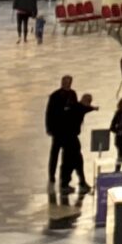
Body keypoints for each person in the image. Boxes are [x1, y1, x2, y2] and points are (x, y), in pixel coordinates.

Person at [45, 74, 94, 203]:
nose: (66, 84)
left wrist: (90, 108)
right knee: (59, 155)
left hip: (70, 134)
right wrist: (50, 128)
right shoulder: (55, 96)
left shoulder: (73, 95)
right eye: (65, 82)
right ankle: (56, 177)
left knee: (74, 159)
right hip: (60, 131)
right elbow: (50, 113)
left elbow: (79, 108)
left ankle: (76, 181)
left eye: (68, 82)